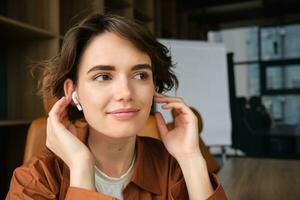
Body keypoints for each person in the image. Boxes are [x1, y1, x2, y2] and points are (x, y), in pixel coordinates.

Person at [6, 14, 227, 200]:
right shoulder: (35, 180)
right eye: (103, 76)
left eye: (140, 75)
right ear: (73, 92)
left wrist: (190, 158)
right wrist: (82, 169)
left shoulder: (173, 167)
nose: (125, 93)